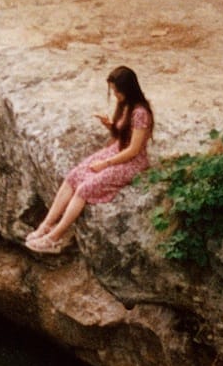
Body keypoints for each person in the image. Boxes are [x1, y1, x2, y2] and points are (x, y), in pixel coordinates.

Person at [26, 66, 154, 254]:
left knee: (85, 189)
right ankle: (46, 225)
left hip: (132, 161)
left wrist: (106, 164)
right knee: (74, 176)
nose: (115, 94)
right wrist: (110, 126)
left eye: (116, 91)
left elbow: (134, 149)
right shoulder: (125, 106)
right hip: (118, 150)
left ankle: (54, 238)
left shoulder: (141, 112)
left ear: (127, 89)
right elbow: (122, 136)